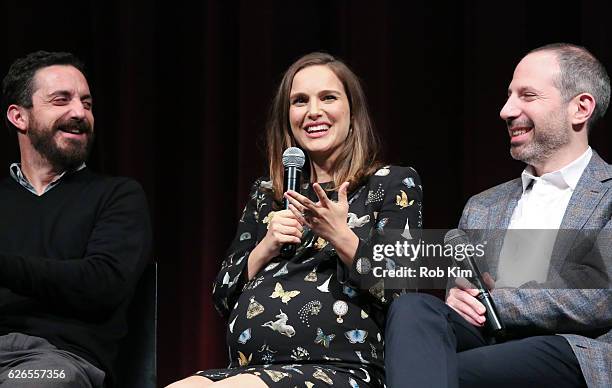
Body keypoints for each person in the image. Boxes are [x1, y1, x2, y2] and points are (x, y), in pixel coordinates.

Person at [168, 52, 423, 388]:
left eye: (328, 98)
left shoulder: (391, 182)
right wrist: (266, 245)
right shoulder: (268, 194)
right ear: (287, 117)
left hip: (341, 370)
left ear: (352, 111)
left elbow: (403, 288)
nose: (313, 112)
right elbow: (221, 295)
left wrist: (340, 235)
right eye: (300, 101)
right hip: (250, 370)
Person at [385, 43, 611, 387]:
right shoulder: (482, 206)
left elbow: (598, 296)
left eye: (527, 96)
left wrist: (497, 300)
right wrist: (458, 298)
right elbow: (464, 293)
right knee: (413, 310)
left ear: (580, 108)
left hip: (571, 350)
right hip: (488, 343)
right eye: (508, 96)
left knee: (431, 371)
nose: (506, 111)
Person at [0, 51, 152, 387]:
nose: (79, 113)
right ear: (19, 117)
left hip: (56, 360)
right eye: (61, 100)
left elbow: (102, 284)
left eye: (87, 102)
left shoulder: (117, 196)